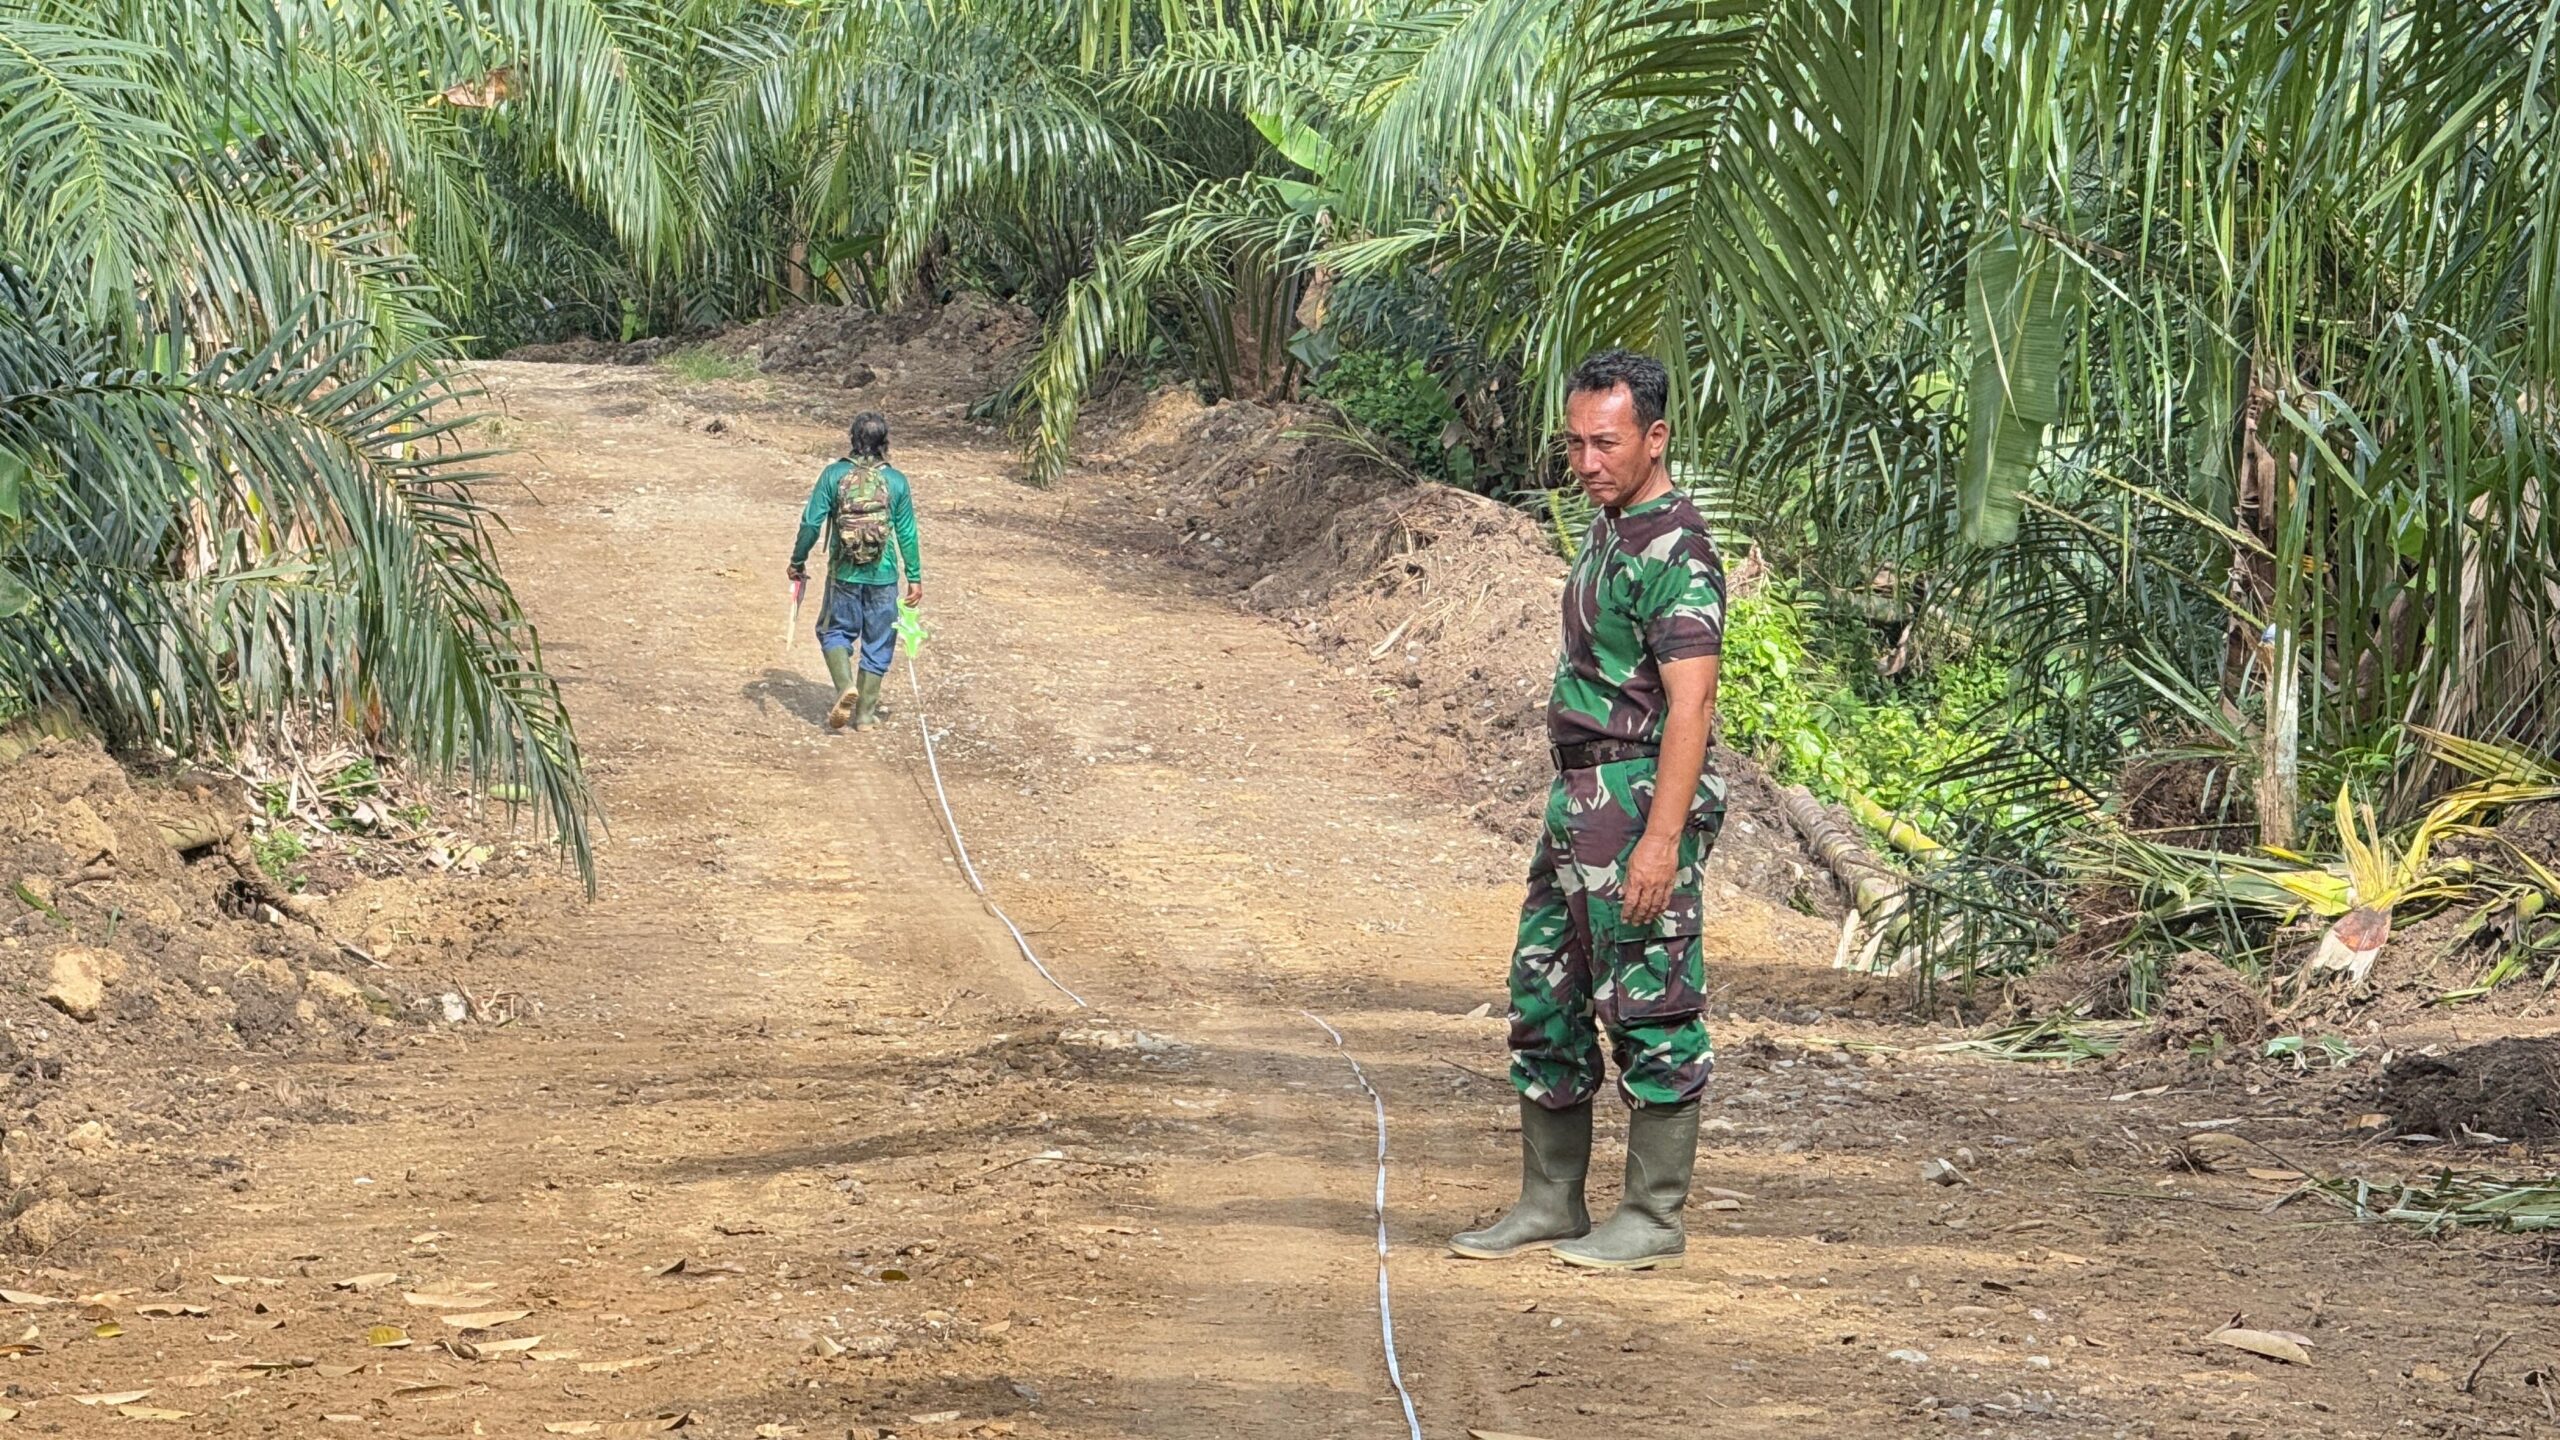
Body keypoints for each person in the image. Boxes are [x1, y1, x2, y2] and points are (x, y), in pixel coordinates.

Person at [1450, 349, 1726, 1272]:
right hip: (1577, 800)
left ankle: (1651, 1216)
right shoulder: (1610, 527)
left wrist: (1659, 842)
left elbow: (1691, 706)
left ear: (1657, 436)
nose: (1586, 463)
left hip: (1635, 795)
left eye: (1605, 444)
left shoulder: (1677, 551)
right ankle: (1549, 1200)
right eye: (1573, 445)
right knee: (1545, 993)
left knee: (1648, 1000)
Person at [788, 412, 923, 731]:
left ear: (852, 438)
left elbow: (811, 522)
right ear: (885, 443)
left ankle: (844, 686)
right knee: (879, 641)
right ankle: (863, 715)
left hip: (843, 573)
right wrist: (914, 576)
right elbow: (907, 532)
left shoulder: (833, 475)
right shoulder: (897, 481)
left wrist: (798, 560)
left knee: (832, 631)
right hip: (885, 575)